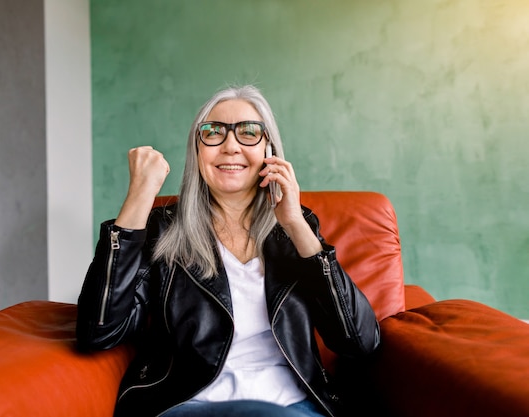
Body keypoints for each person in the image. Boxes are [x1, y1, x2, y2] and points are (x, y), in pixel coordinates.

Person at [76, 85, 380, 417]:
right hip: (190, 406)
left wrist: (296, 226)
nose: (230, 146)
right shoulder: (162, 230)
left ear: (270, 149)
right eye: (213, 133)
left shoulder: (296, 229)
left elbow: (359, 341)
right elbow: (99, 332)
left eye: (249, 133)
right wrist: (139, 195)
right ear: (196, 151)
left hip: (292, 407)